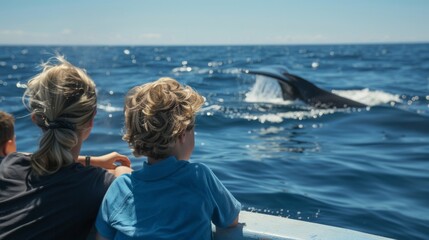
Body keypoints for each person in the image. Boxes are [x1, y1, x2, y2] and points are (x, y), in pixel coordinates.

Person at [0, 56, 133, 240]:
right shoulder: (99, 187)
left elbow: (27, 156)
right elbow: (125, 181)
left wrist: (91, 160)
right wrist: (120, 169)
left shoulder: (9, 166)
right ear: (91, 120)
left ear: (35, 118)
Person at [95, 77, 241, 240]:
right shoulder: (199, 177)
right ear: (182, 135)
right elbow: (231, 220)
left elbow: (101, 238)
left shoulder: (119, 189)